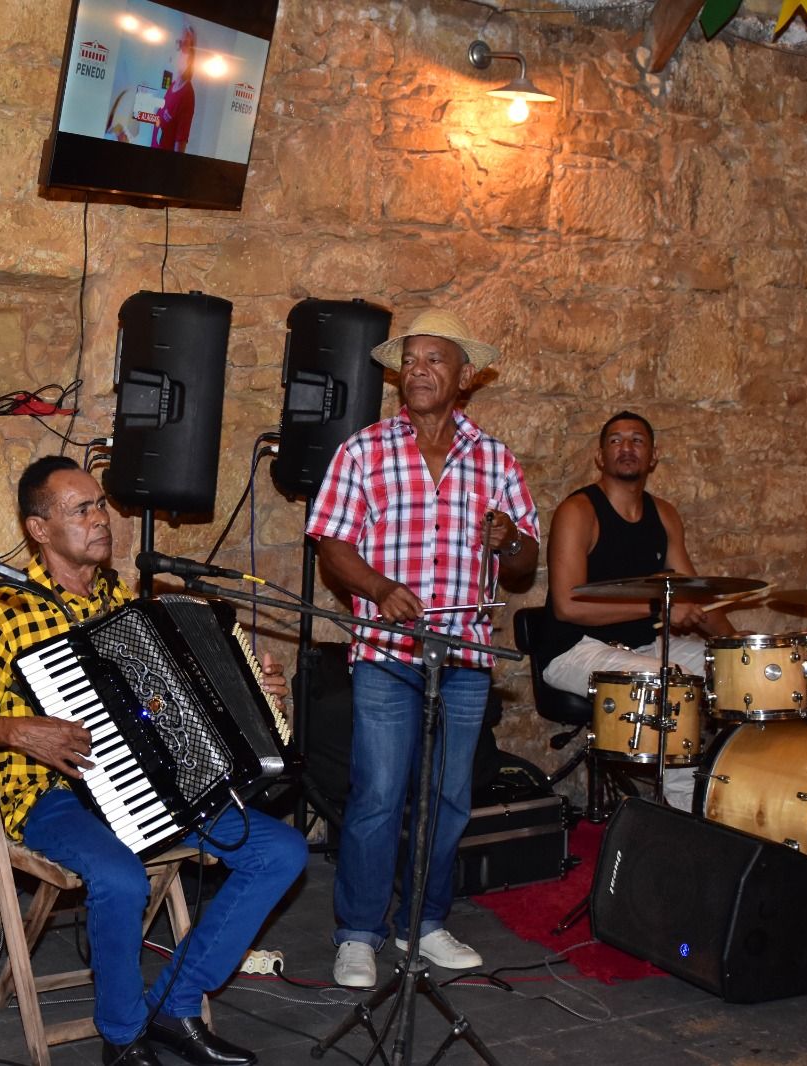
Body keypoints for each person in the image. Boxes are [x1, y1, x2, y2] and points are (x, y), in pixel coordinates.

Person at [0, 456, 306, 1066]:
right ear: (38, 530)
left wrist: (252, 692)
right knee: (121, 879)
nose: (101, 520)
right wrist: (19, 731)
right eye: (81, 510)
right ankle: (122, 1038)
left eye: (100, 505)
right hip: (54, 798)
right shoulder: (4, 613)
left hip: (152, 787)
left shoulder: (120, 600)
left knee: (281, 852)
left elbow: (167, 703)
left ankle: (175, 1006)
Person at [307, 308, 540, 990]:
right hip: (387, 652)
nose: (417, 370)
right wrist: (379, 588)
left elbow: (524, 563)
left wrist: (511, 542)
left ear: (464, 376)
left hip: (464, 659)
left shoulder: (494, 459)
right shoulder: (363, 451)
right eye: (409, 360)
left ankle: (425, 923)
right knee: (379, 795)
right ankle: (358, 933)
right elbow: (330, 544)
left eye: (434, 359)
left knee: (449, 800)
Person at [534, 411, 736, 809]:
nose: (626, 448)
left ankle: (729, 800)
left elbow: (691, 594)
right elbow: (568, 605)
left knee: (725, 673)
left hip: (641, 647)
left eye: (637, 440)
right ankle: (685, 821)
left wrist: (737, 645)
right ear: (600, 456)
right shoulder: (579, 511)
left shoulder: (664, 514)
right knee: (671, 684)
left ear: (654, 455)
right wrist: (658, 606)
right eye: (616, 441)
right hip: (573, 649)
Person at [152, 26, 196, 152]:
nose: (181, 49)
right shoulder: (173, 85)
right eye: (179, 43)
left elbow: (180, 145)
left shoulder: (187, 95)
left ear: (192, 56)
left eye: (186, 44)